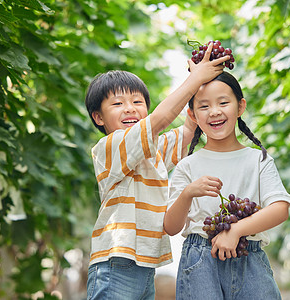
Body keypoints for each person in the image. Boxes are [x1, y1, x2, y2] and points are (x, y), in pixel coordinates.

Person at [84, 43, 230, 300]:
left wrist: (200, 87)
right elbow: (159, 120)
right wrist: (193, 80)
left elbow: (187, 132)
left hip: (144, 263)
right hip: (115, 261)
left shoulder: (151, 151)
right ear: (98, 117)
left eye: (137, 102)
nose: (130, 108)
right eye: (118, 103)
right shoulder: (110, 146)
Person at [164, 71, 290, 299]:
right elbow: (171, 227)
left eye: (223, 102)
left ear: (240, 106)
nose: (214, 111)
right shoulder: (187, 166)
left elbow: (280, 208)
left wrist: (236, 230)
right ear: (192, 115)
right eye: (204, 106)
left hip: (248, 256)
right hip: (200, 261)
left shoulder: (258, 160)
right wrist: (187, 194)